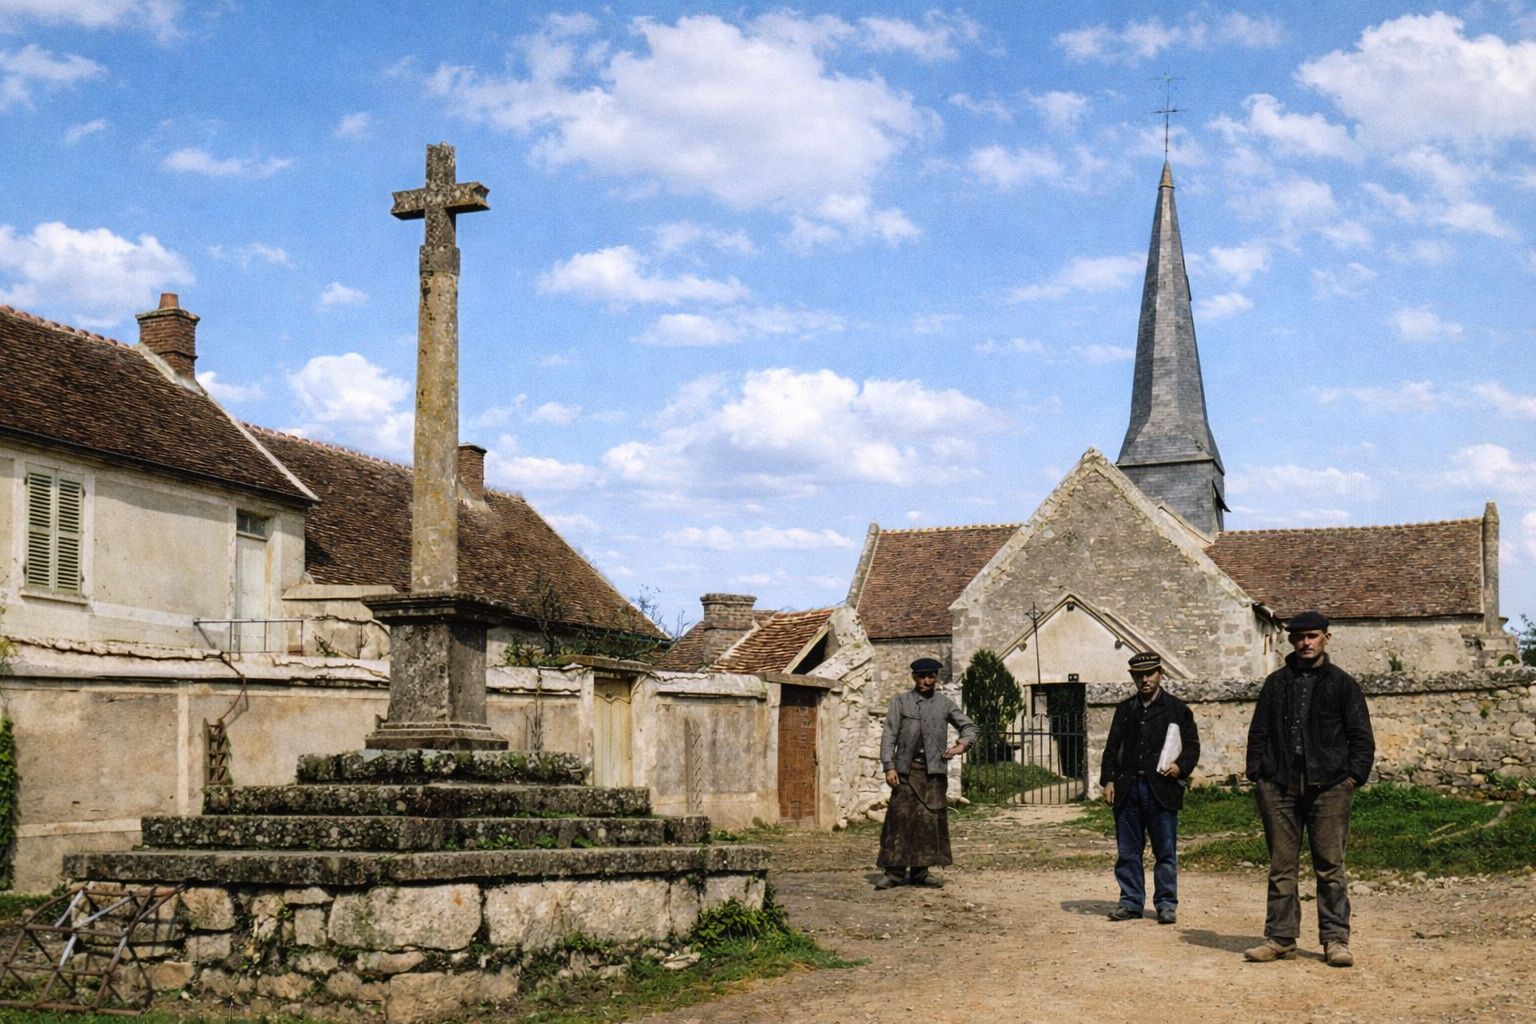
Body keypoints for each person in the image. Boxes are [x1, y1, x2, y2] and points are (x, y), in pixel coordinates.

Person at [1244, 610, 1375, 968]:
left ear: (1326, 639)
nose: (1306, 643)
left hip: (1330, 788)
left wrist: (1351, 779)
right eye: (1299, 637)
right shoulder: (1276, 684)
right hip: (1280, 787)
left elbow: (1362, 739)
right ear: (1291, 641)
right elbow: (1258, 733)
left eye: (1313, 636)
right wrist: (1258, 775)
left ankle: (1335, 939)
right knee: (1281, 866)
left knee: (1330, 867)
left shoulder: (1342, 684)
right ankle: (1281, 938)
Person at [1099, 651, 1200, 924]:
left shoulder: (1177, 710)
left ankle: (1166, 904)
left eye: (1150, 673)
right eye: (1139, 675)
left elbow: (1191, 746)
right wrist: (1108, 780)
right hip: (1128, 790)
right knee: (1128, 850)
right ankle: (1130, 902)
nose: (1145, 680)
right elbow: (1111, 748)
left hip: (1162, 790)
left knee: (1164, 850)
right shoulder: (1125, 710)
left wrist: (1180, 767)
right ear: (1133, 677)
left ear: (1160, 674)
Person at [874, 656, 978, 890]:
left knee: (928, 822)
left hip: (934, 773)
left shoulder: (944, 704)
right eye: (922, 676)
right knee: (899, 820)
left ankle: (921, 873)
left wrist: (961, 745)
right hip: (905, 772)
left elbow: (969, 727)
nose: (927, 680)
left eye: (931, 675)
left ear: (936, 677)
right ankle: (894, 873)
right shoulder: (900, 702)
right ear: (914, 677)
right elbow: (889, 736)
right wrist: (889, 766)